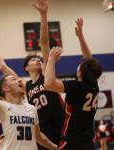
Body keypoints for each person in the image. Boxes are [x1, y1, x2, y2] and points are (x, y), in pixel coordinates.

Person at [0, 0, 65, 149]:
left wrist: (43, 15)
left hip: (60, 127)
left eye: (38, 58)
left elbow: (44, 43)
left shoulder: (46, 75)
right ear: (26, 68)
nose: (38, 60)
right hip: (41, 133)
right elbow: (2, 66)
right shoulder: (24, 86)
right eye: (33, 59)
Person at [0, 55, 58, 150]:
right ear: (6, 88)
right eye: (14, 79)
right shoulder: (0, 106)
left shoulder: (32, 108)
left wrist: (55, 147)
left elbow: (38, 136)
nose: (19, 80)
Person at [44, 18, 102, 150]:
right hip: (87, 142)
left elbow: (48, 84)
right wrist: (80, 36)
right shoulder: (94, 85)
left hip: (71, 141)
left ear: (80, 72)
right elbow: (89, 60)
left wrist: (51, 60)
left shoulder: (76, 86)